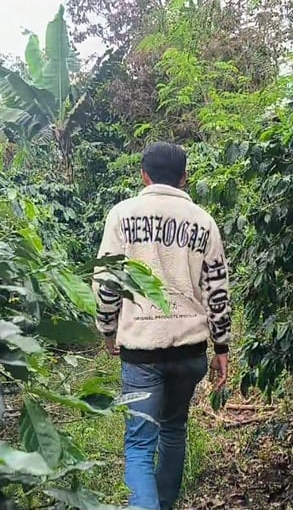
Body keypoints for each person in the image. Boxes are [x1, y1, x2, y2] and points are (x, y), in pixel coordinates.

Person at [93, 141, 231, 510]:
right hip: (190, 351)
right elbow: (216, 289)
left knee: (139, 443)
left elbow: (107, 281)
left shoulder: (121, 216)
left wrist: (108, 330)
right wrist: (222, 348)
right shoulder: (204, 221)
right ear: (185, 177)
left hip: (141, 350)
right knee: (174, 430)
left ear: (143, 175)